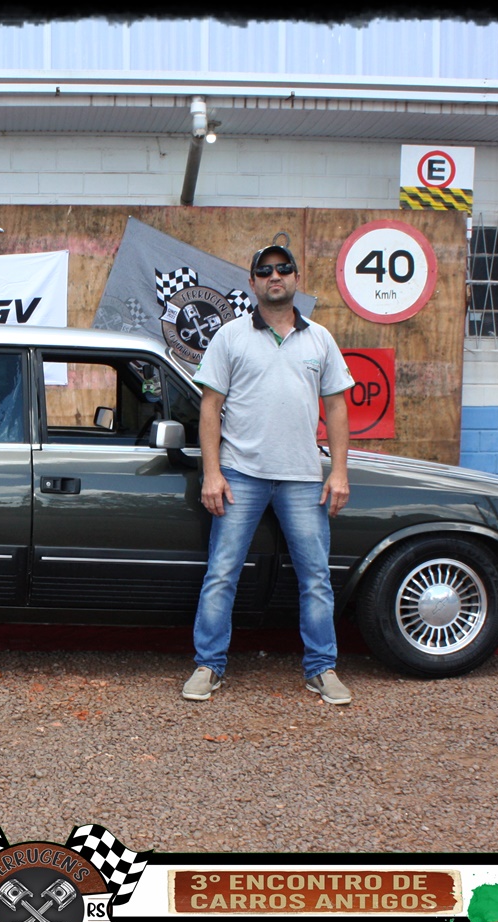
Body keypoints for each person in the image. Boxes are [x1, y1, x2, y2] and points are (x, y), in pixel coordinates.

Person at [182, 241, 355, 705]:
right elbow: (210, 407)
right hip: (240, 473)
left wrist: (339, 472)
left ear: (296, 277)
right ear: (252, 282)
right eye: (264, 270)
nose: (274, 276)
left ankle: (322, 668)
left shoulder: (320, 339)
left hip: (302, 476)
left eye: (283, 268)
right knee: (222, 573)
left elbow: (337, 407)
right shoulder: (230, 336)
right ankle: (208, 665)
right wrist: (212, 473)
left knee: (315, 577)